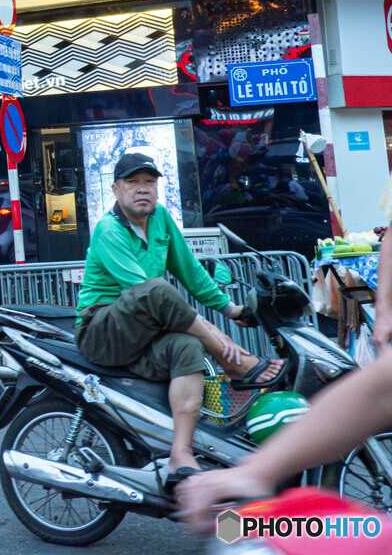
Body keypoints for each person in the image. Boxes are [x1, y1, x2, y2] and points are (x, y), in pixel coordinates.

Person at [180, 173, 392, 528]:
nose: (143, 188)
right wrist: (256, 471)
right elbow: (378, 392)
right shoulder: (114, 231)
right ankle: (181, 452)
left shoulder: (162, 228)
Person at [76, 151, 287, 488]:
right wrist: (219, 336)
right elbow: (144, 291)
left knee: (187, 347)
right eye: (132, 183)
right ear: (115, 189)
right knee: (156, 289)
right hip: (102, 329)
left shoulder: (160, 218)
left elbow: (189, 271)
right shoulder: (108, 230)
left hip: (145, 329)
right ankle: (232, 360)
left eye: (149, 183)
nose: (142, 189)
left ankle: (180, 453)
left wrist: (231, 310)